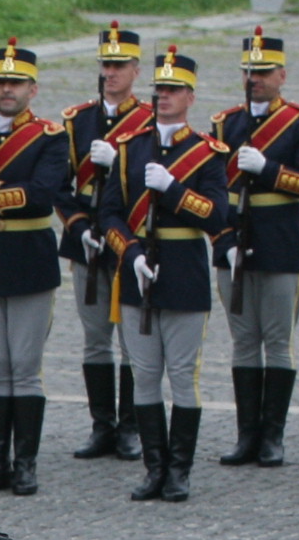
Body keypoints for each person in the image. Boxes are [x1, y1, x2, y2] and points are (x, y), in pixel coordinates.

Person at [89, 45, 232, 502]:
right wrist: (129, 254)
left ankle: (180, 470)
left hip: (185, 272)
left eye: (173, 90)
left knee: (184, 374)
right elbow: (109, 214)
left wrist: (174, 190)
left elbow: (216, 216)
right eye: (159, 90)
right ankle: (154, 467)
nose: (163, 97)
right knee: (145, 373)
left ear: (191, 97)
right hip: (138, 272)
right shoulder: (132, 148)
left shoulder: (207, 153)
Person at [0, 43, 71, 497]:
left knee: (24, 368)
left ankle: (25, 463)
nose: (7, 90)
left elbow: (45, 191)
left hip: (29, 256)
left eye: (16, 83)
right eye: (1, 82)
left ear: (32, 89)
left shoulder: (50, 136)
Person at [212, 28, 299, 468]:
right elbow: (213, 189)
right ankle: (246, 435)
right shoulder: (226, 124)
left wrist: (270, 169)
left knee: (277, 341)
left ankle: (272, 436)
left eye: (264, 72)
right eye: (249, 71)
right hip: (235, 243)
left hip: (278, 243)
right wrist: (226, 240)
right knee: (242, 341)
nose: (255, 79)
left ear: (282, 75)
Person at [62, 23, 149, 462]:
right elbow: (61, 187)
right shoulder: (79, 120)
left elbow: (155, 186)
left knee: (132, 340)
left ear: (136, 69)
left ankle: (131, 426)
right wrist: (79, 228)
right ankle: (103, 425)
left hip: (130, 241)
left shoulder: (149, 121)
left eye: (119, 66)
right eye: (105, 65)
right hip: (89, 245)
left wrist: (120, 165)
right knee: (96, 338)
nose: (111, 73)